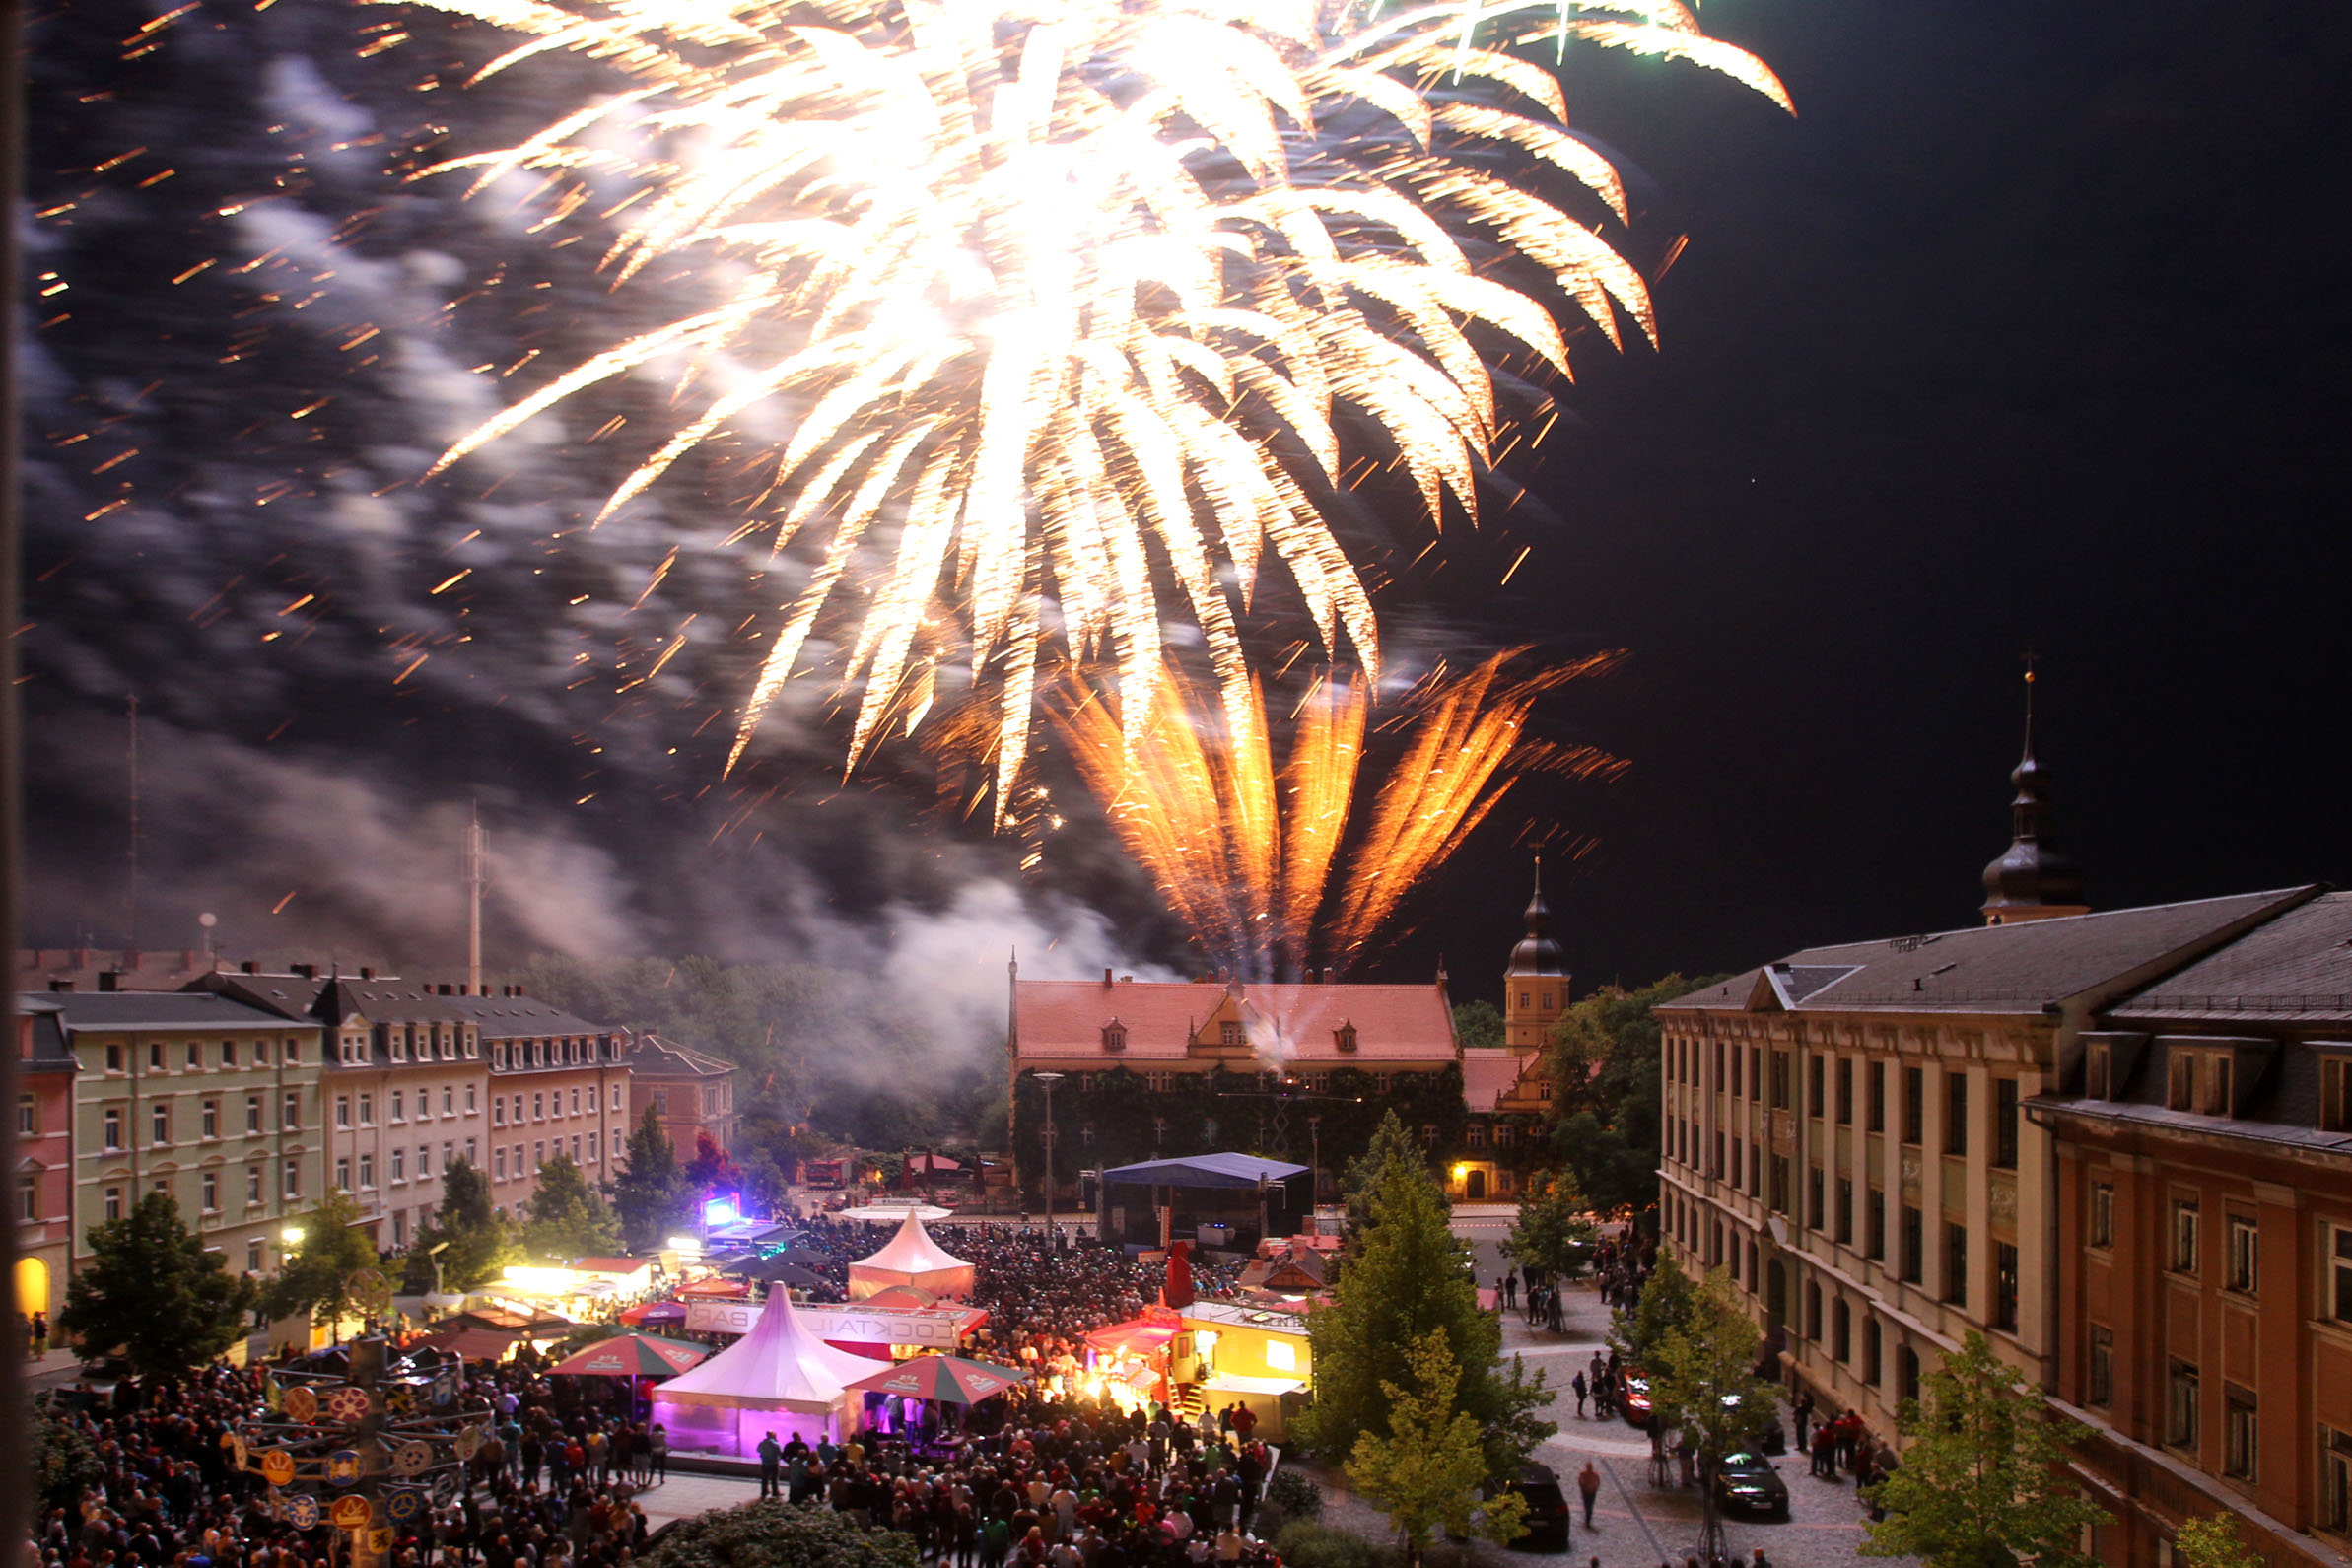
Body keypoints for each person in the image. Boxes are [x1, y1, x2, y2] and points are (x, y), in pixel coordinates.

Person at [758, 1431, 783, 1499]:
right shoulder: (776, 1444)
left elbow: (758, 1450)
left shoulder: (762, 1443)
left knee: (764, 1478)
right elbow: (779, 1453)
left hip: (765, 1463)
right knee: (774, 1479)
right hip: (774, 1463)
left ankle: (764, 1492)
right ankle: (775, 1492)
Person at [1577, 1460, 1601, 1528]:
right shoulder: (1584, 1474)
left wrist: (1595, 1488)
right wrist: (1582, 1487)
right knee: (1587, 1506)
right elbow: (1580, 1481)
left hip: (1591, 1492)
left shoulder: (1594, 1475)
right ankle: (1587, 1520)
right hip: (1587, 1491)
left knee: (1589, 1506)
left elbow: (1598, 1481)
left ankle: (1588, 1521)